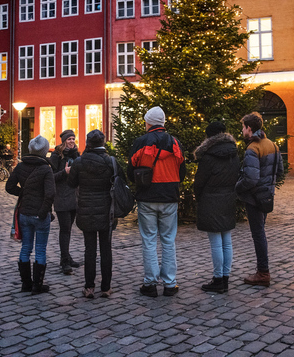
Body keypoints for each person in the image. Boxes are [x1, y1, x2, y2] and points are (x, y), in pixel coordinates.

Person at [127, 106, 186, 298]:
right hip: (169, 196)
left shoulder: (140, 142)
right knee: (169, 240)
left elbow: (130, 171)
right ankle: (170, 283)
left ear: (148, 122)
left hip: (147, 197)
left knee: (149, 240)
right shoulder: (175, 142)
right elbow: (182, 170)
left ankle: (150, 283)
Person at [67, 129, 123, 298]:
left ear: (88, 142)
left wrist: (70, 172)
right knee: (106, 249)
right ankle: (106, 287)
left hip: (86, 209)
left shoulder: (79, 162)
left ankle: (89, 287)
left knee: (89, 250)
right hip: (106, 211)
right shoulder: (111, 161)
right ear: (103, 143)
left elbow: (71, 184)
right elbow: (121, 182)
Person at [235, 112, 283, 287]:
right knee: (260, 232)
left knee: (258, 234)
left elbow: (251, 178)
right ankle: (262, 270)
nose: (242, 130)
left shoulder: (252, 149)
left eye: (243, 127)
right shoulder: (273, 145)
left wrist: (237, 188)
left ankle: (263, 272)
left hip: (255, 197)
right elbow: (280, 171)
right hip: (267, 195)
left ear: (249, 128)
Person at [5, 135, 55, 294]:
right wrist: (43, 212)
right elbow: (50, 194)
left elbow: (9, 186)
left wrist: (23, 193)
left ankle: (26, 283)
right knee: (40, 249)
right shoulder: (46, 169)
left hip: (24, 213)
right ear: (44, 151)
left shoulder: (20, 166)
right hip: (39, 215)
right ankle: (37, 286)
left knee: (26, 248)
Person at [193, 121, 239, 294]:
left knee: (215, 243)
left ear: (210, 136)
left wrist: (199, 197)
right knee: (226, 240)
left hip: (211, 199)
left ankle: (218, 279)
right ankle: (225, 278)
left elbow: (199, 182)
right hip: (228, 197)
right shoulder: (234, 152)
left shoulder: (208, 155)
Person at [49, 129, 81, 275]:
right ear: (64, 141)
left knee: (69, 229)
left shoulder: (76, 154)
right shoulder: (56, 156)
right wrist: (64, 172)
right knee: (65, 229)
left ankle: (67, 257)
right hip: (61, 197)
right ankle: (64, 261)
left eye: (73, 138)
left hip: (74, 197)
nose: (72, 141)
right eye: (69, 139)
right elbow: (51, 178)